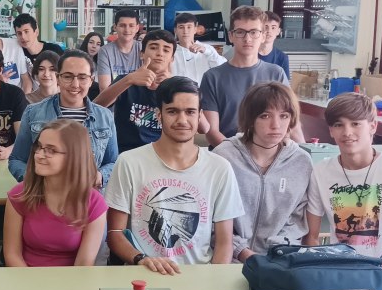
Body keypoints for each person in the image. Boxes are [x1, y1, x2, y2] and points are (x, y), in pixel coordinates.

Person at [105, 77, 244, 272]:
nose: (182, 120)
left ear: (199, 116)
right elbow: (115, 233)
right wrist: (142, 260)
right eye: (172, 111)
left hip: (199, 278)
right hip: (143, 276)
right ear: (158, 115)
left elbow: (224, 242)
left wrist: (213, 281)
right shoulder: (129, 162)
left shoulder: (220, 168)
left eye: (190, 112)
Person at [305, 93, 382, 257]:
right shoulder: (320, 172)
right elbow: (311, 238)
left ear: (373, 126)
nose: (347, 132)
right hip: (341, 267)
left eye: (355, 124)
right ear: (331, 131)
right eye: (339, 125)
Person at [212, 82, 315, 262]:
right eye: (265, 116)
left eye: (284, 116)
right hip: (228, 259)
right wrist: (243, 252)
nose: (276, 125)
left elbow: (297, 221)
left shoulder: (301, 162)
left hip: (279, 261)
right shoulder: (224, 157)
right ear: (250, 119)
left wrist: (275, 255)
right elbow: (208, 219)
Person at [3, 120, 107, 267]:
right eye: (39, 147)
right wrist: (29, 282)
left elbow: (84, 263)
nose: (39, 155)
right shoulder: (19, 194)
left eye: (51, 150)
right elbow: (12, 255)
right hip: (24, 276)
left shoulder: (94, 202)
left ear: (74, 156)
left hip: (73, 279)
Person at [9, 50, 118, 188]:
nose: (75, 84)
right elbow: (17, 160)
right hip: (43, 195)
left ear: (91, 80)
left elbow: (113, 162)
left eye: (82, 77)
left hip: (88, 195)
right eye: (68, 76)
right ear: (58, 78)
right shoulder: (33, 112)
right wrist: (35, 182)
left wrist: (100, 176)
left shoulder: (105, 116)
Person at [201, 6, 302, 147]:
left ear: (263, 36)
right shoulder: (213, 77)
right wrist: (242, 155)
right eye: (240, 32)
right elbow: (212, 132)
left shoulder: (276, 73)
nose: (247, 38)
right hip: (226, 153)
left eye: (254, 32)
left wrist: (304, 150)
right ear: (231, 36)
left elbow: (292, 123)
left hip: (269, 153)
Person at [95, 29, 209, 152]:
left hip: (166, 153)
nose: (160, 53)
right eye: (154, 48)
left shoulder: (179, 87)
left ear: (172, 58)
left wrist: (174, 85)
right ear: (142, 54)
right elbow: (96, 107)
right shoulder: (126, 80)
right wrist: (128, 80)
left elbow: (204, 128)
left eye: (166, 50)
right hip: (127, 153)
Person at [172, 12, 226, 85]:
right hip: (178, 90)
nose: (185, 31)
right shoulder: (171, 51)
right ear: (175, 30)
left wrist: (207, 52)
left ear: (195, 29)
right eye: (181, 27)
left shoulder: (207, 49)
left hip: (203, 90)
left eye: (189, 27)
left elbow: (223, 69)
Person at [13, 12, 64, 86]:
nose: (23, 37)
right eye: (19, 33)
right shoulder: (19, 53)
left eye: (26, 32)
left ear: (36, 32)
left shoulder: (54, 49)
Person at [97, 10, 142, 91]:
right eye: (122, 25)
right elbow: (104, 90)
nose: (127, 30)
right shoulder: (105, 51)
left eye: (131, 26)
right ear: (115, 27)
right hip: (114, 98)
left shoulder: (143, 48)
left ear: (137, 28)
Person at [257, 11, 290, 78]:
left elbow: (284, 83)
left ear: (278, 31)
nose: (269, 31)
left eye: (273, 28)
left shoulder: (282, 58)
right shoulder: (249, 54)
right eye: (265, 27)